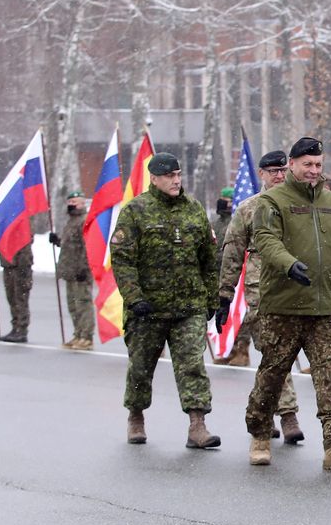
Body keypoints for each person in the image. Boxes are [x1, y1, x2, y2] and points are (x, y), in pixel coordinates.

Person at [244, 137, 331, 469]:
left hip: (324, 307)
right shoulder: (272, 201)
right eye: (306, 165)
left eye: (318, 165)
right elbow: (265, 239)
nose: (313, 171)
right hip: (282, 306)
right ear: (292, 165)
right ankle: (259, 434)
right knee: (273, 374)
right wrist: (288, 263)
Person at [111, 152, 220, 448]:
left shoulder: (194, 210)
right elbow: (122, 260)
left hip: (189, 307)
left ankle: (197, 425)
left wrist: (213, 299)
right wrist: (134, 299)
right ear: (154, 179)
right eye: (169, 176)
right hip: (148, 309)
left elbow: (209, 260)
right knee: (141, 367)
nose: (175, 180)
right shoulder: (135, 211)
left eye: (178, 174)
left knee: (192, 365)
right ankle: (136, 416)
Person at [215, 149, 305, 444]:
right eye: (272, 171)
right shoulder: (249, 208)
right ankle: (288, 414)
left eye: (283, 171)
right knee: (275, 353)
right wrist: (225, 295)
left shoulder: (301, 204)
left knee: (278, 356)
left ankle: (264, 414)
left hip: (296, 290)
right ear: (262, 175)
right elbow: (232, 251)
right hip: (260, 293)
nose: (279, 176)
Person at [50, 190, 94, 351]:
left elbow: (87, 247)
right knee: (73, 305)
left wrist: (84, 268)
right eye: (70, 202)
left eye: (75, 202)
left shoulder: (84, 221)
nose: (71, 205)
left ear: (82, 204)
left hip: (80, 271)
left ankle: (87, 337)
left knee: (83, 303)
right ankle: (78, 333)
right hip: (70, 270)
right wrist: (58, 241)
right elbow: (71, 245)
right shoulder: (71, 221)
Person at [0, 238, 34, 343]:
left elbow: (27, 238)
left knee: (21, 299)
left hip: (21, 264)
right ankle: (15, 327)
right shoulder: (6, 224)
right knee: (11, 298)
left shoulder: (23, 223)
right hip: (8, 263)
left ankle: (22, 329)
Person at [212, 187, 234, 269]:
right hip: (216, 269)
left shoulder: (235, 222)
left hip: (230, 268)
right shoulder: (215, 224)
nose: (221, 202)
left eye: (225, 200)